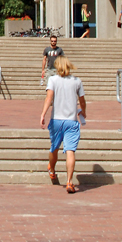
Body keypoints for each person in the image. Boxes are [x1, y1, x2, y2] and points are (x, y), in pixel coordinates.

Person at [39, 56, 86, 193]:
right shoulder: (77, 81)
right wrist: (83, 111)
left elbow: (49, 98)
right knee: (70, 151)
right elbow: (82, 100)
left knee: (54, 147)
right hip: (71, 120)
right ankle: (69, 182)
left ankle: (52, 168)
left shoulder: (53, 80)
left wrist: (43, 114)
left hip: (56, 120)